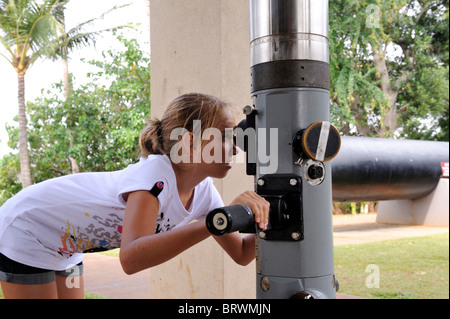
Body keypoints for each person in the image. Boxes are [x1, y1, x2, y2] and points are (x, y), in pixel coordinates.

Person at [0, 93, 269, 299]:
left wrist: (275, 218)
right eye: (224, 136)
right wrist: (214, 222)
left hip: (68, 245)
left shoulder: (204, 192)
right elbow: (131, 259)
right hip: (29, 228)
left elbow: (242, 253)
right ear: (189, 142)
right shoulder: (155, 177)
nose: (235, 148)